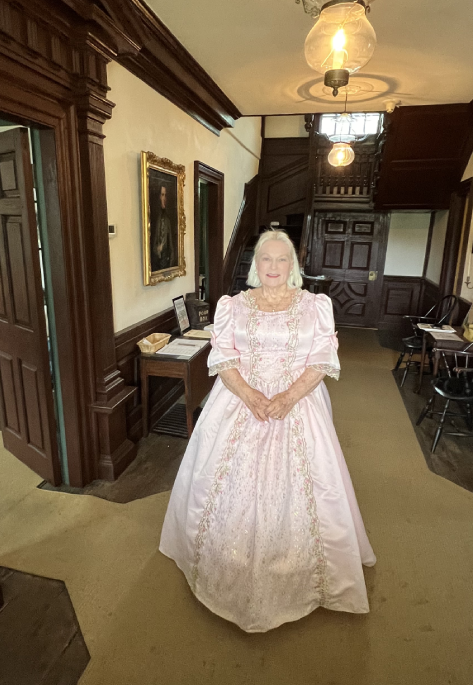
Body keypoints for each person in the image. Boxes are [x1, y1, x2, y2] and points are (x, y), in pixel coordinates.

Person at [159, 230, 376, 633]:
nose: (274, 267)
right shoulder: (233, 306)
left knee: (307, 491)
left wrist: (289, 397)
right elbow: (223, 357)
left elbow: (322, 359)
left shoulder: (315, 305)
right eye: (266, 259)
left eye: (282, 260)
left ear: (293, 265)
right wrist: (248, 395)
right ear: (255, 265)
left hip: (297, 406)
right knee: (221, 487)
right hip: (240, 404)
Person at [151, 183, 176, 271]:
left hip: (166, 262)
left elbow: (171, 244)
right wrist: (157, 249)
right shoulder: (153, 218)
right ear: (158, 197)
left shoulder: (167, 219)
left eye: (165, 195)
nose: (164, 198)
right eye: (162, 195)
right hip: (156, 263)